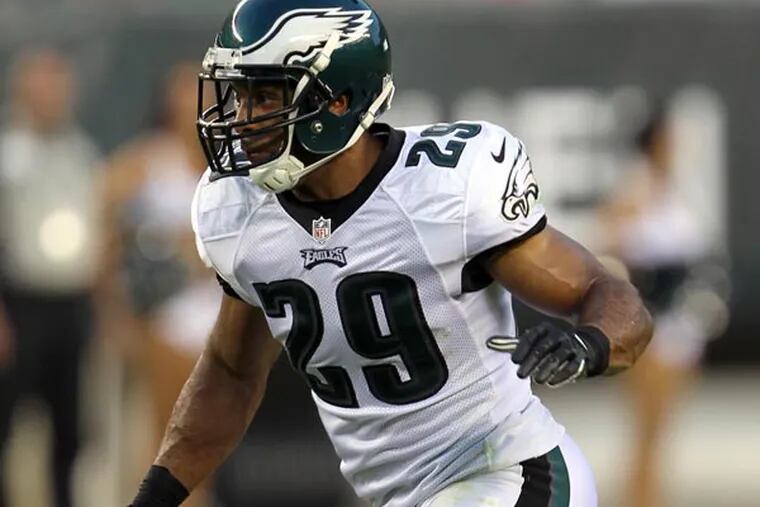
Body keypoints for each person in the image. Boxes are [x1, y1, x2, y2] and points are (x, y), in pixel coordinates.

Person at [130, 1, 653, 506]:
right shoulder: (240, 211)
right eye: (240, 96)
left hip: (508, 471)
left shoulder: (445, 189)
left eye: (265, 97)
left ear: (339, 100)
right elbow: (231, 374)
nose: (242, 119)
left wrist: (588, 343)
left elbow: (601, 290)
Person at [99, 62, 218, 507]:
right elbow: (109, 241)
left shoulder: (232, 163)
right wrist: (116, 314)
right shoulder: (144, 162)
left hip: (219, 318)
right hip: (166, 318)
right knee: (167, 443)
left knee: (210, 443)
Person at [600, 109, 729, 507]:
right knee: (645, 426)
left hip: (680, 322)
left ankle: (652, 498)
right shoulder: (636, 189)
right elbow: (609, 248)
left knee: (661, 429)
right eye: (669, 140)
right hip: (651, 321)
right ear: (654, 142)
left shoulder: (672, 189)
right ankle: (638, 500)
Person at [0, 49, 101, 507]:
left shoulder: (81, 153)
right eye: (42, 87)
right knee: (8, 422)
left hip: (70, 302)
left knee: (69, 428)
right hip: (19, 302)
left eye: (59, 87)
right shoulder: (8, 153)